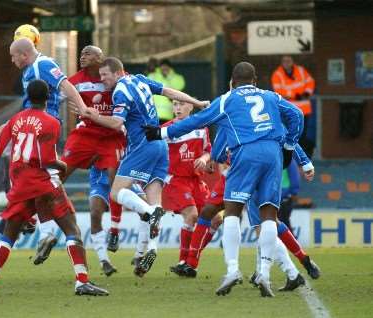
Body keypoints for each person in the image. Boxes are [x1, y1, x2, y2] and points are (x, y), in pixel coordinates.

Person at [143, 61, 304, 297]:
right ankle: (265, 273)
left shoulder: (228, 99)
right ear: (255, 80)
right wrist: (290, 147)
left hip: (245, 154)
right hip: (272, 155)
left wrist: (162, 132)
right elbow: (297, 115)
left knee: (232, 211)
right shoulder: (271, 96)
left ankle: (232, 270)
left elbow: (197, 121)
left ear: (232, 81)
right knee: (269, 216)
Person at [0, 37, 90, 264]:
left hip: (42, 126)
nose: (12, 60)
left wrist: (83, 109)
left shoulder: (44, 64)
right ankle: (45, 233)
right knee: (32, 174)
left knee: (31, 172)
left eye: (13, 56)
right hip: (32, 122)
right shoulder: (30, 70)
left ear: (23, 54)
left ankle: (33, 223)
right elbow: (46, 97)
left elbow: (66, 86)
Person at [74, 57, 208, 276]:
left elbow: (117, 123)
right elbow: (171, 92)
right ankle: (151, 249)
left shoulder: (121, 91)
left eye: (105, 75)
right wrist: (197, 102)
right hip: (160, 146)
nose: (102, 79)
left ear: (118, 73)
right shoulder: (141, 80)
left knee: (117, 192)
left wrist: (95, 116)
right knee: (154, 202)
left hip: (142, 147)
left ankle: (147, 213)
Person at [0, 79, 108, 297]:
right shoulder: (52, 122)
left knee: (9, 234)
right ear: (48, 98)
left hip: (21, 185)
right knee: (71, 229)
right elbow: (47, 159)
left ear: (27, 97)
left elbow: (1, 149)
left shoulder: (15, 120)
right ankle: (81, 281)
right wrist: (63, 164)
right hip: (44, 183)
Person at [61, 45, 127, 274]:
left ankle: (120, 233)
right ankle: (45, 227)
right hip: (86, 135)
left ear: (101, 58)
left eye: (88, 53)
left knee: (116, 182)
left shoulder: (117, 77)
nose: (82, 56)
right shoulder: (74, 81)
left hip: (112, 137)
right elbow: (54, 98)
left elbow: (137, 91)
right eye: (81, 54)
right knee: (58, 175)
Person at [161, 99, 215, 272]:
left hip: (196, 180)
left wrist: (204, 159)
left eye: (181, 104)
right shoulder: (167, 130)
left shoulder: (201, 128)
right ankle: (183, 261)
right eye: (175, 104)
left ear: (191, 106)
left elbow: (208, 150)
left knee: (216, 219)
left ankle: (191, 256)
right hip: (176, 179)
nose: (177, 108)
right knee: (192, 215)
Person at [271, 55, 315, 157]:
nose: (287, 63)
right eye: (284, 61)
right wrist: (296, 95)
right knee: (290, 135)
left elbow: (310, 82)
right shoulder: (277, 74)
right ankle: (293, 157)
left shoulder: (301, 70)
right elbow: (279, 92)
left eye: (289, 60)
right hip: (288, 112)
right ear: (282, 63)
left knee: (302, 135)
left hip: (304, 110)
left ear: (292, 61)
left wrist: (307, 93)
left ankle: (303, 156)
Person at [148, 59, 186, 124]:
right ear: (159, 68)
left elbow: (178, 89)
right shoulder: (154, 76)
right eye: (162, 67)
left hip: (168, 115)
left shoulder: (177, 78)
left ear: (170, 68)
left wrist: (167, 77)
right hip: (154, 115)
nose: (164, 69)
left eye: (166, 67)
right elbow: (147, 82)